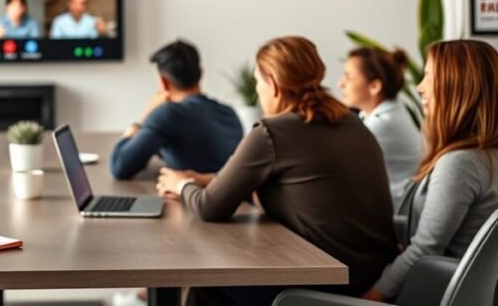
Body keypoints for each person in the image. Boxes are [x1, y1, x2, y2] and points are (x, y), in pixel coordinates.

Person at [157, 37, 396, 304]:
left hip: (328, 286)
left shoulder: (273, 132)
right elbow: (304, 183)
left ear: (273, 84)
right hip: (372, 276)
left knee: (208, 286)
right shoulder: (350, 120)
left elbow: (209, 207)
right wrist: (211, 179)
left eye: (258, 82)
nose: (258, 91)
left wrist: (181, 183)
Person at [362, 40, 498, 303]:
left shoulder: (461, 164)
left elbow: (425, 250)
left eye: (428, 76)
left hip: (433, 293)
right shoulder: (491, 157)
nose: (419, 87)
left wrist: (372, 296)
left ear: (457, 87)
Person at [110, 40, 242, 180]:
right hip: (232, 197)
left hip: (192, 198)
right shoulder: (229, 112)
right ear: (201, 74)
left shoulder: (168, 114)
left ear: (164, 82)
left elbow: (119, 167)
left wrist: (143, 119)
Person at [338, 47, 422, 209]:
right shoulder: (390, 110)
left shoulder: (382, 124)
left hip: (396, 215)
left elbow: (338, 164)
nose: (341, 84)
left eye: (348, 77)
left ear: (375, 86)